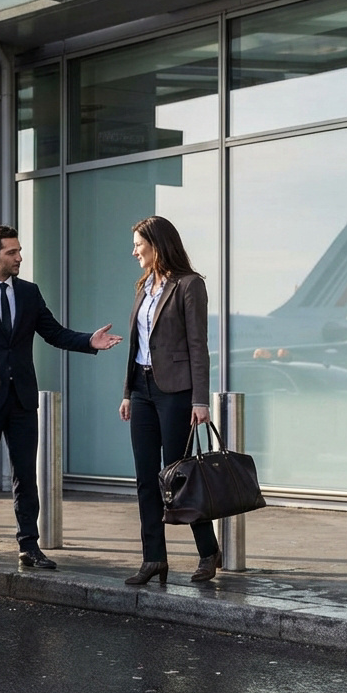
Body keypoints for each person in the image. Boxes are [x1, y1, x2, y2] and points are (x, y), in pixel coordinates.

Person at [0, 225, 123, 571]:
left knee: (27, 474)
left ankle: (29, 545)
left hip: (22, 398)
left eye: (20, 251)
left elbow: (53, 332)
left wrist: (88, 341)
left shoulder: (28, 292)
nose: (20, 257)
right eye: (12, 252)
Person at [118, 216, 220, 585]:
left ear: (157, 246)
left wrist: (199, 400)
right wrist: (128, 393)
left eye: (139, 246)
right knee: (145, 478)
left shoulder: (190, 286)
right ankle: (153, 559)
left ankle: (208, 551)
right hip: (143, 390)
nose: (134, 252)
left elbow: (198, 345)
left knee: (179, 477)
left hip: (176, 392)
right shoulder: (144, 286)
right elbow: (136, 345)